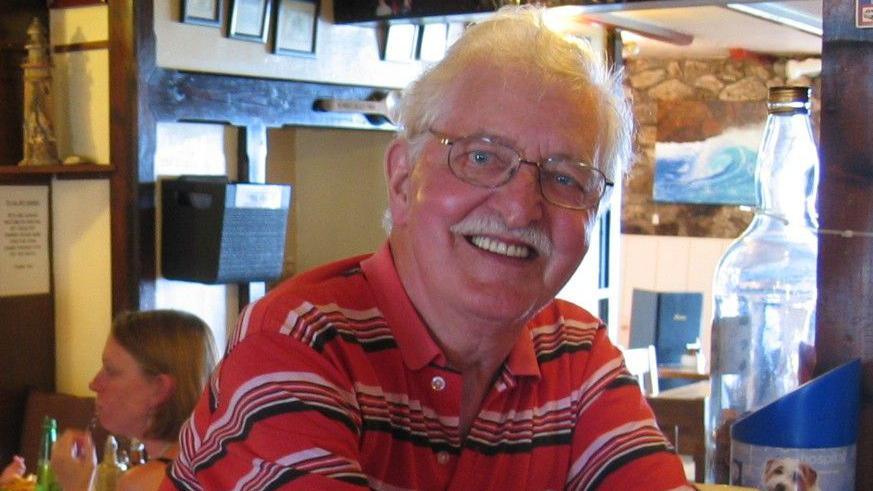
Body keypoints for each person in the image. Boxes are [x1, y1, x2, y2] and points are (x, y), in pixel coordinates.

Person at [163, 6, 690, 490]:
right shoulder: (297, 341)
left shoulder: (577, 355)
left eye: (567, 179)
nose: (519, 208)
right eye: (482, 158)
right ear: (401, 178)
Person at [51, 310, 216, 491]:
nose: (94, 384)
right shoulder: (214, 459)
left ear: (158, 389)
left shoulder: (145, 483)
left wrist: (77, 486)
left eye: (111, 371)